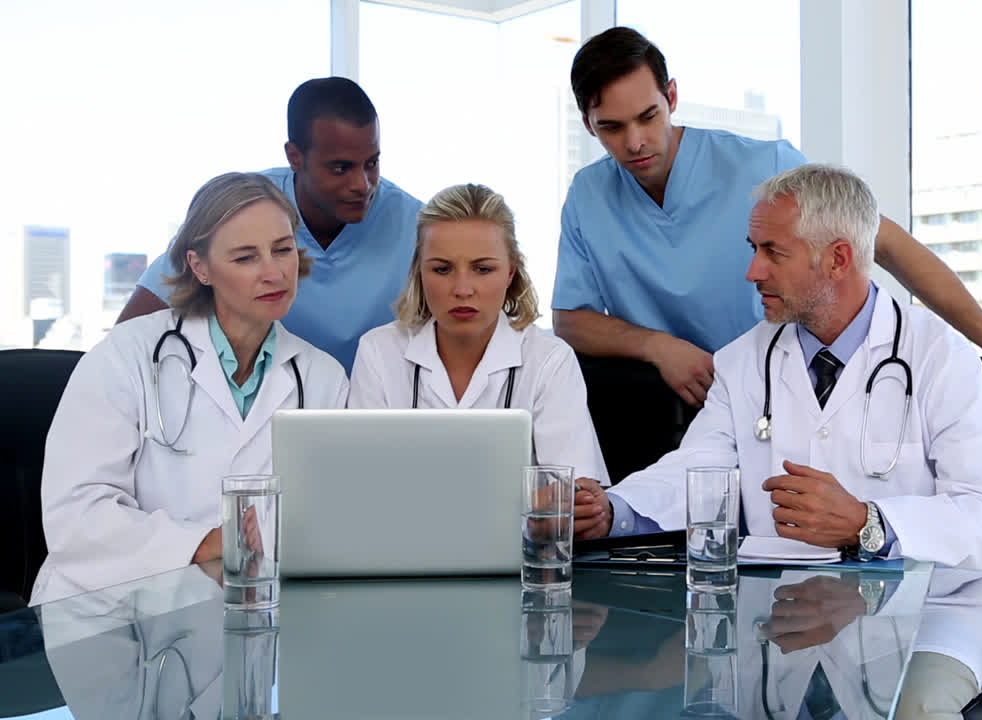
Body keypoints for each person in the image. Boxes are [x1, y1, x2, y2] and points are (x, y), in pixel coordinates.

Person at [575, 164, 982, 716]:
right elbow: (698, 470)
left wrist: (870, 522)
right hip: (780, 611)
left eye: (772, 252)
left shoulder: (938, 358)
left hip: (928, 611)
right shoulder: (744, 362)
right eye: (752, 247)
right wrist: (615, 511)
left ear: (837, 258)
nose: (751, 271)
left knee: (916, 711)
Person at [553, 27, 982, 413]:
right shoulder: (588, 195)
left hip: (785, 398)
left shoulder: (761, 165)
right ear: (587, 125)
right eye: (612, 128)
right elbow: (571, 319)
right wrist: (656, 346)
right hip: (670, 410)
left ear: (672, 97)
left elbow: (883, 242)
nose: (636, 142)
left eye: (648, 116)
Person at [31, 172, 350, 606]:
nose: (274, 272)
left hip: (251, 616)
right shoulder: (126, 356)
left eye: (283, 249)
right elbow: (77, 516)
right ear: (199, 267)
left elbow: (328, 521)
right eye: (245, 258)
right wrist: (209, 542)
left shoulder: (321, 378)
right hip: (107, 615)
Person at [348, 183, 610, 531]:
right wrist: (527, 513)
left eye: (483, 269)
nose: (462, 289)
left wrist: (423, 507)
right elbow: (357, 497)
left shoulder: (549, 359)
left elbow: (575, 501)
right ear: (419, 273)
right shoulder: (379, 352)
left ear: (511, 272)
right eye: (442, 269)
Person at [118, 77, 423, 373]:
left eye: (372, 163)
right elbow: (124, 342)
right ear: (295, 157)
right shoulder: (242, 209)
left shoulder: (416, 225)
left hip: (374, 408)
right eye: (340, 168)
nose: (362, 184)